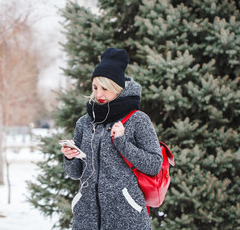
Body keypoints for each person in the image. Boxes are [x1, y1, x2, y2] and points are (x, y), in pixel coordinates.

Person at [61, 47, 163, 230]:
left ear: (118, 88)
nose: (98, 94)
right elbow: (75, 173)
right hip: (87, 218)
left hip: (127, 218)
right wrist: (70, 157)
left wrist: (122, 143)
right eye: (95, 87)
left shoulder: (137, 119)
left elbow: (154, 164)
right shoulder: (85, 122)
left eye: (105, 88)